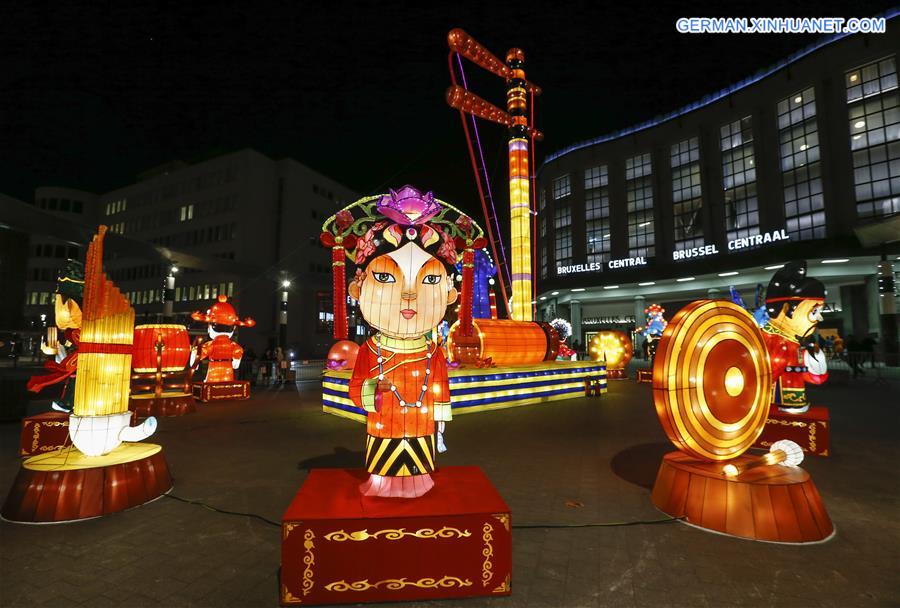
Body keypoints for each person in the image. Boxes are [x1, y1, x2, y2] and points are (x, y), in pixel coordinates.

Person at [339, 186, 464, 498]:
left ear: (449, 295)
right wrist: (372, 391)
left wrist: (441, 418)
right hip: (384, 423)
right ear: (358, 289)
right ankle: (381, 480)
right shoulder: (370, 349)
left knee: (419, 466)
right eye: (385, 277)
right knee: (384, 465)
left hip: (421, 424)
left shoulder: (432, 350)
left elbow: (441, 384)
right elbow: (356, 389)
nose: (410, 294)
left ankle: (420, 479)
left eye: (430, 279)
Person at [761, 261, 828, 413]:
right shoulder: (770, 339)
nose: (819, 318)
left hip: (795, 401)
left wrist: (815, 358)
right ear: (786, 309)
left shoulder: (796, 342)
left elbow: (816, 378)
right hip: (771, 405)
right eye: (814, 312)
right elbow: (761, 377)